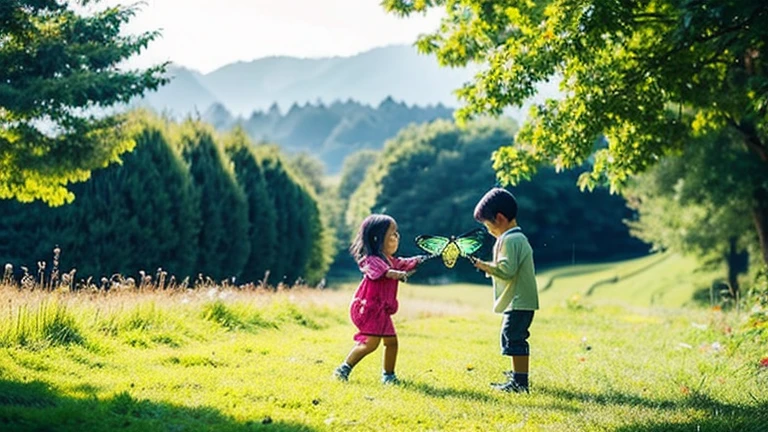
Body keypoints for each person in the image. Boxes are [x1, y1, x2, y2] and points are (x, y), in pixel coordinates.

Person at [333, 214, 427, 384]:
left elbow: (403, 263)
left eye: (397, 233)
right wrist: (396, 274)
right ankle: (343, 369)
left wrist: (418, 260)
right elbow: (383, 272)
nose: (397, 237)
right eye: (392, 234)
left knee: (392, 343)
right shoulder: (371, 260)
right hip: (369, 309)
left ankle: (388, 376)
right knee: (370, 344)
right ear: (377, 239)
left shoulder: (391, 260)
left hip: (381, 312)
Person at [471, 188, 539, 393]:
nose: (488, 230)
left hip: (519, 300)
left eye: (487, 225)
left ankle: (520, 382)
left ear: (499, 218)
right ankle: (517, 374)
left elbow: (507, 270)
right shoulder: (513, 237)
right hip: (517, 299)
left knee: (514, 336)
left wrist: (484, 266)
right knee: (510, 334)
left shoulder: (511, 240)